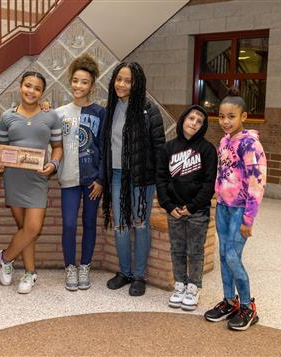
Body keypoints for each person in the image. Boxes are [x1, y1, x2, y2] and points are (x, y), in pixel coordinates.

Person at [0, 71, 63, 294]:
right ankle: (30, 273)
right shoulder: (7, 117)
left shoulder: (50, 116)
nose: (31, 91)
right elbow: (0, 149)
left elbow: (58, 148)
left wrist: (53, 164)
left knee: (33, 227)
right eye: (28, 86)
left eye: (37, 88)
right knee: (26, 230)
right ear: (20, 87)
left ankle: (5, 257)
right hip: (14, 178)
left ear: (42, 93)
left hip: (38, 179)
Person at [204, 88, 267, 331]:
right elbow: (223, 174)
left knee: (232, 256)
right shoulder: (223, 141)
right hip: (223, 207)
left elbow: (257, 183)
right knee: (223, 255)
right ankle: (230, 302)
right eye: (221, 116)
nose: (225, 122)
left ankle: (248, 308)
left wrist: (248, 219)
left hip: (241, 210)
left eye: (231, 116)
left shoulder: (251, 144)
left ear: (244, 117)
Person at [102, 62, 166, 296]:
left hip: (142, 178)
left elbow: (159, 148)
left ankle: (139, 276)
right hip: (117, 176)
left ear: (136, 83)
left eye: (128, 81)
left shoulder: (149, 110)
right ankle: (124, 272)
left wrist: (160, 183)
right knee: (120, 226)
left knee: (140, 225)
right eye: (119, 79)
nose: (122, 84)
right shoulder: (110, 108)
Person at [156, 105, 217, 311]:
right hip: (174, 210)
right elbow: (161, 179)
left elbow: (209, 184)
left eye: (199, 121)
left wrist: (192, 207)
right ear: (183, 120)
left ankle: (193, 287)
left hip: (197, 212)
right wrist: (168, 205)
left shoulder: (208, 150)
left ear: (203, 126)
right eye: (191, 118)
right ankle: (179, 284)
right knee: (178, 250)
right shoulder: (168, 148)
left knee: (195, 251)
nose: (194, 123)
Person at [56, 54, 105, 291]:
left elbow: (104, 148)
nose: (79, 86)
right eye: (75, 80)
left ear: (91, 86)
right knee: (68, 224)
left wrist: (101, 180)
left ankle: (85, 265)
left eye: (84, 82)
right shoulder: (59, 113)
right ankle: (70, 267)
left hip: (92, 180)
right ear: (70, 81)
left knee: (89, 223)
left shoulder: (99, 112)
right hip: (68, 179)